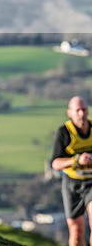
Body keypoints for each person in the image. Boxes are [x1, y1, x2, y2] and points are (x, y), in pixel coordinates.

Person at [51, 96, 92, 246]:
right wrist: (76, 160)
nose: (81, 113)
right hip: (72, 184)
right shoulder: (64, 132)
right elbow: (55, 163)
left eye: (84, 110)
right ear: (69, 113)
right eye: (78, 110)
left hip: (91, 183)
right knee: (76, 233)